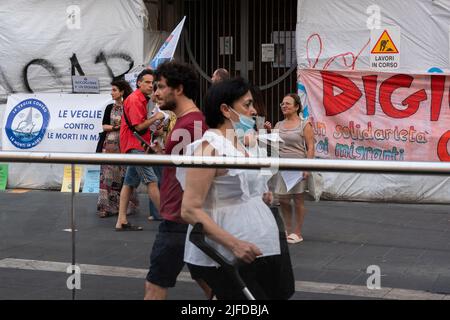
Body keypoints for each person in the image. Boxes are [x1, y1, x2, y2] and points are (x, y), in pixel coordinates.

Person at [179, 77, 295, 300]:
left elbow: (243, 188)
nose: (254, 111)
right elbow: (190, 209)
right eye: (247, 104)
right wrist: (235, 245)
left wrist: (259, 194)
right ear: (225, 109)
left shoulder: (239, 143)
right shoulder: (208, 150)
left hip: (262, 244)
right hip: (230, 254)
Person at [144, 61, 209, 300]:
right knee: (213, 285)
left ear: (178, 89)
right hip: (184, 217)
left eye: (160, 87)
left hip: (179, 219)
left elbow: (196, 173)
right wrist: (163, 155)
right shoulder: (187, 122)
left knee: (155, 285)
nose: (156, 93)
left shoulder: (191, 124)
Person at [114, 69, 165, 231]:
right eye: (147, 82)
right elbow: (138, 127)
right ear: (139, 83)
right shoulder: (136, 100)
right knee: (152, 180)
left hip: (134, 146)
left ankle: (121, 220)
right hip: (135, 146)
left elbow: (140, 127)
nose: (151, 86)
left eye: (152, 82)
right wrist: (156, 118)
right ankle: (167, 218)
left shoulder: (141, 99)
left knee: (129, 183)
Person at [271, 93, 315, 244]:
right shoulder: (278, 125)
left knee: (298, 200)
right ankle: (288, 230)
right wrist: (268, 131)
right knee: (283, 199)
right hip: (283, 167)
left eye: (288, 103)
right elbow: (273, 145)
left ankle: (298, 232)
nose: (284, 106)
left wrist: (307, 167)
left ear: (296, 107)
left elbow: (310, 147)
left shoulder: (304, 124)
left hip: (298, 166)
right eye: (282, 103)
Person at [96, 80, 139, 218]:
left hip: (124, 143)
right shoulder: (109, 108)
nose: (111, 92)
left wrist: (123, 128)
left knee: (123, 175)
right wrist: (117, 127)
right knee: (107, 176)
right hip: (109, 145)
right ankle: (106, 207)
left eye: (114, 90)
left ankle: (124, 206)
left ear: (122, 92)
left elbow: (133, 125)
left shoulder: (128, 106)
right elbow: (104, 126)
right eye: (112, 90)